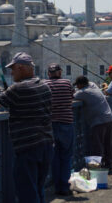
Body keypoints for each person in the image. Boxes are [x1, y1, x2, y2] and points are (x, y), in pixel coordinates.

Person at [0, 52, 53, 203]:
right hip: (46, 144)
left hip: (27, 147)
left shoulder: (18, 89)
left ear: (22, 68)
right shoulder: (44, 85)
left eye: (13, 69)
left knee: (26, 191)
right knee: (38, 187)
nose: (11, 73)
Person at [44, 63, 74, 197]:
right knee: (66, 157)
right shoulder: (67, 83)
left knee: (54, 158)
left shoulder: (45, 84)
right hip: (66, 123)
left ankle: (57, 187)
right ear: (60, 72)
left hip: (50, 125)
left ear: (49, 73)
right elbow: (72, 97)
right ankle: (65, 186)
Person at [74, 76, 112, 171]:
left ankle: (97, 168)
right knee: (108, 144)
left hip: (98, 121)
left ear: (81, 84)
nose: (77, 87)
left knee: (97, 145)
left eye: (77, 85)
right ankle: (108, 164)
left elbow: (72, 96)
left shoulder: (83, 92)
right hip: (109, 118)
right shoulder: (93, 85)